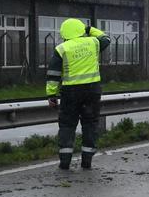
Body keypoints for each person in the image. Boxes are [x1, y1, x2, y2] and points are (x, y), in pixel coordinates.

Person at [46, 18, 110, 170]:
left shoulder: (62, 48)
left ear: (64, 33)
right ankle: (87, 160)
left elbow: (53, 75)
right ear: (81, 30)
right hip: (92, 91)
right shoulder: (93, 43)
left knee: (67, 125)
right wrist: (88, 29)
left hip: (70, 92)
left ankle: (65, 161)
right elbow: (105, 38)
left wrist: (51, 95)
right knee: (90, 124)